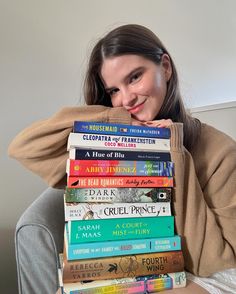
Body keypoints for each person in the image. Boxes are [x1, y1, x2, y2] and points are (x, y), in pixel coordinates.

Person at [8, 24, 236, 292]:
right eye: (114, 90)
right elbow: (24, 147)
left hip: (197, 275)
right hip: (122, 265)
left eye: (135, 77)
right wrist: (114, 119)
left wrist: (175, 150)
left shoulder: (220, 151)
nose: (126, 98)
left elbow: (210, 263)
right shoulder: (105, 143)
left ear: (165, 67)